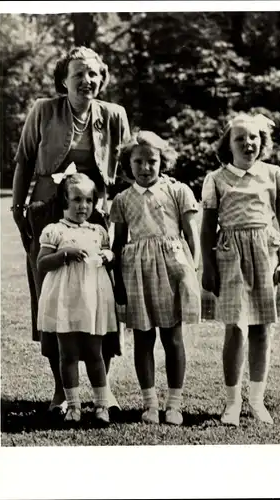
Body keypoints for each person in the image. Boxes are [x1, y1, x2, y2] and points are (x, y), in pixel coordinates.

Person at [11, 46, 130, 414]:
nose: (87, 80)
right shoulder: (44, 109)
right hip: (47, 212)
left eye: (93, 73)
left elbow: (125, 169)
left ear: (102, 78)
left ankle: (101, 390)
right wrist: (18, 208)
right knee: (51, 296)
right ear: (63, 80)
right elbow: (25, 161)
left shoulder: (114, 114)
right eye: (78, 74)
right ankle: (62, 390)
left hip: (99, 215)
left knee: (100, 297)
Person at [200, 113, 280, 427]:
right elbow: (207, 227)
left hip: (267, 254)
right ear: (228, 145)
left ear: (262, 142)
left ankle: (256, 400)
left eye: (253, 137)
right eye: (239, 138)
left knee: (262, 330)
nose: (247, 143)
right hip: (230, 256)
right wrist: (208, 266)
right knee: (237, 328)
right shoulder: (216, 178)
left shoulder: (274, 173)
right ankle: (232, 403)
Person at [110, 131, 201, 426]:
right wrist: (119, 284)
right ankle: (149, 403)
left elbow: (191, 234)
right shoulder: (122, 199)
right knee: (143, 339)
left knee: (173, 338)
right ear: (128, 163)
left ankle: (174, 404)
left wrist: (193, 269)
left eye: (152, 161)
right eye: (139, 161)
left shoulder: (178, 191)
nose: (146, 167)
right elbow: (118, 243)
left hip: (172, 268)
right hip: (136, 271)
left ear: (163, 161)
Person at [37, 171, 116, 424]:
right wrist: (64, 255)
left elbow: (110, 254)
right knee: (67, 354)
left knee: (95, 353)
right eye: (77, 200)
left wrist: (108, 257)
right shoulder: (54, 231)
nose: (84, 206)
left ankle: (101, 405)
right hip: (64, 301)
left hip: (92, 300)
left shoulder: (98, 231)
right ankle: (73, 406)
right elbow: (41, 263)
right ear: (64, 201)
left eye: (89, 201)